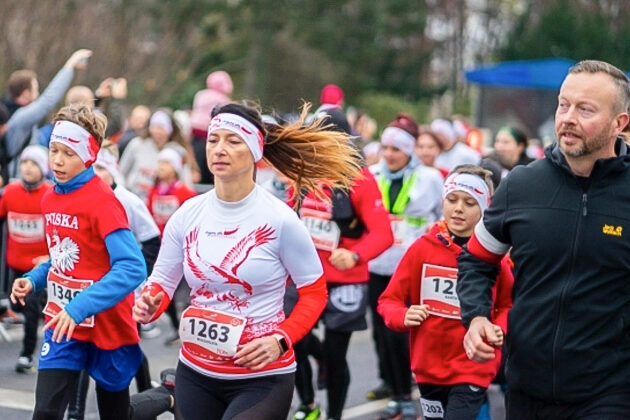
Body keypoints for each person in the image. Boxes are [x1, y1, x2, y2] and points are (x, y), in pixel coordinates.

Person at [132, 101, 362, 420]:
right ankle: (170, 393)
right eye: (214, 140)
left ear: (254, 150)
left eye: (233, 140)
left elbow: (314, 293)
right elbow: (161, 284)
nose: (219, 149)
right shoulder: (186, 215)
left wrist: (281, 340)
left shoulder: (280, 220)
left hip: (260, 378)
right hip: (196, 372)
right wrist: (148, 305)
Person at [457, 60, 630, 419]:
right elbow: (476, 260)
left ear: (620, 123)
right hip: (526, 388)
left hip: (610, 392)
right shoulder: (521, 184)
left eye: (585, 109)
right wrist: (475, 317)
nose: (568, 117)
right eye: (563, 104)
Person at [10, 103, 146, 420]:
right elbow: (61, 261)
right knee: (45, 412)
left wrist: (80, 306)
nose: (57, 159)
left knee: (116, 414)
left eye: (68, 153)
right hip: (65, 324)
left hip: (107, 324)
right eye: (54, 150)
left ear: (88, 155)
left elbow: (132, 267)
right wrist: (33, 278)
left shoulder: (103, 202)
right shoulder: (50, 198)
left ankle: (165, 397)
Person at [379, 165, 513, 420]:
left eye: (469, 202)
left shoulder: (493, 257)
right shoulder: (422, 249)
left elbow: (508, 305)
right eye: (452, 200)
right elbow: (388, 300)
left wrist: (500, 328)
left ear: (484, 208)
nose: (458, 208)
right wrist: (402, 315)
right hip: (428, 366)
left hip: (473, 365)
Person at [293, 118, 394, 420]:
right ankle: (308, 405)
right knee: (293, 343)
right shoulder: (303, 176)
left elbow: (383, 234)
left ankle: (334, 415)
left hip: (345, 281)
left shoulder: (359, 180)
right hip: (305, 279)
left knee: (337, 358)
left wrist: (355, 256)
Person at [66, 141, 162, 420]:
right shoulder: (83, 198)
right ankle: (75, 412)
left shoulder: (129, 201)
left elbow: (152, 241)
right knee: (85, 346)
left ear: (112, 171)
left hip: (124, 290)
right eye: (91, 168)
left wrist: (133, 277)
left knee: (128, 347)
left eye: (100, 169)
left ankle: (149, 392)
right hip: (90, 289)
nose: (95, 174)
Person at [368, 114, 443, 419]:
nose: (389, 154)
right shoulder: (371, 175)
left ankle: (406, 394)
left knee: (402, 333)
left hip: (412, 266)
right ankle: (394, 387)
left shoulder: (430, 178)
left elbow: (443, 215)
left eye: (396, 149)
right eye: (385, 148)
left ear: (409, 150)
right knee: (381, 333)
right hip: (377, 264)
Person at [2, 49, 92, 180]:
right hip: (19, 182)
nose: (38, 94)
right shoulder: (21, 117)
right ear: (26, 93)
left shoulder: (10, 112)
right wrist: (69, 67)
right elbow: (47, 101)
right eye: (36, 89)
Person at [0, 145, 52, 372]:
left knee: (31, 310)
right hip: (14, 265)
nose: (28, 168)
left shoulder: (50, 195)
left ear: (43, 168)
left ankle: (26, 354)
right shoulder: (10, 192)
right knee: (18, 308)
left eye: (34, 164)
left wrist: (49, 256)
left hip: (38, 269)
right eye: (24, 163)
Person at [119, 109, 195, 201]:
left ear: (170, 129)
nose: (156, 131)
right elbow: (120, 173)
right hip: (134, 199)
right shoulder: (137, 145)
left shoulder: (178, 151)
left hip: (165, 205)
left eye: (161, 127)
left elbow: (186, 183)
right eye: (153, 126)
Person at [190, 70, 234, 184]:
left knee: (197, 163)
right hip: (211, 134)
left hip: (195, 135)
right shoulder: (223, 100)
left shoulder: (200, 95)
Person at [147, 147, 197, 235]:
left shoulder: (186, 193)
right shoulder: (153, 191)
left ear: (175, 168)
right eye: (160, 162)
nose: (161, 166)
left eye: (166, 163)